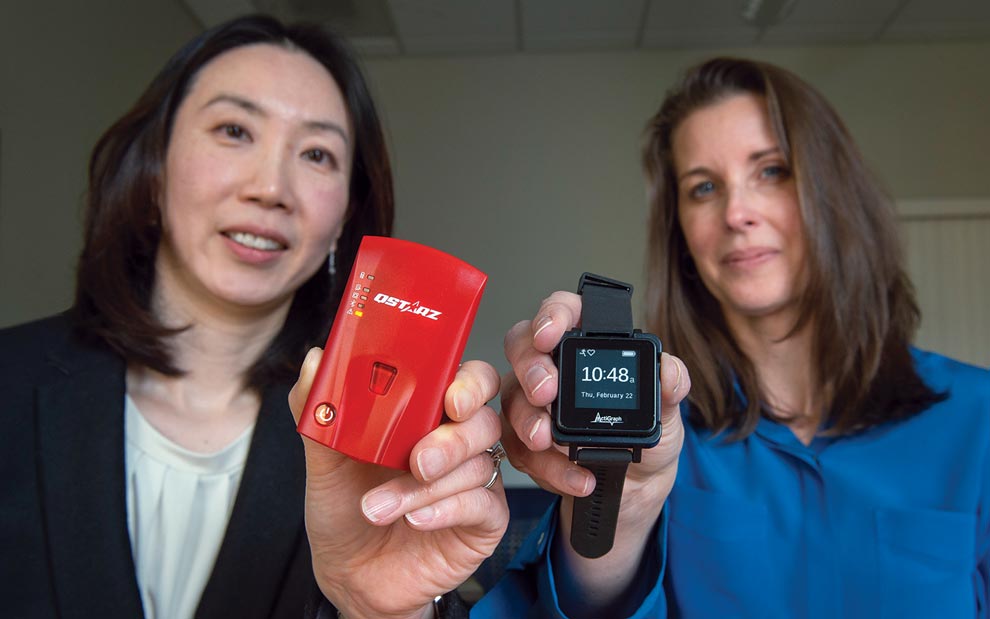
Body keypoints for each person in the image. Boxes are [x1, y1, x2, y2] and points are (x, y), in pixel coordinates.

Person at [0, 15, 506, 619]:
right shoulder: (11, 381)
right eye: (234, 130)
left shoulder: (374, 438)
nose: (271, 187)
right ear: (155, 165)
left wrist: (385, 613)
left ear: (347, 215)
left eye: (317, 153)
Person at [479, 57, 990, 618]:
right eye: (703, 188)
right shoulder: (662, 436)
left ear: (835, 194)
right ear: (682, 236)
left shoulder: (978, 418)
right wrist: (625, 500)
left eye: (771, 171)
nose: (736, 212)